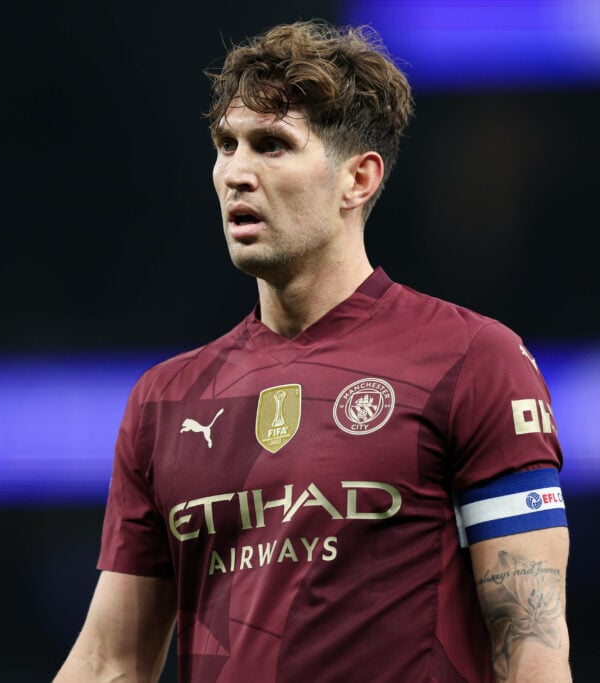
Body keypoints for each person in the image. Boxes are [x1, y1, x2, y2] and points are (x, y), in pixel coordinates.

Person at [55, 20, 571, 683]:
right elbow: (110, 663)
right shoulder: (165, 399)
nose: (236, 172)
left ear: (358, 179)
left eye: (271, 145)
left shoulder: (474, 360)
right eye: (225, 144)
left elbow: (530, 639)